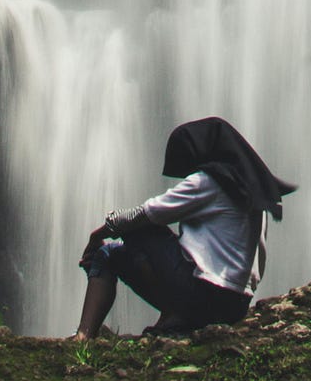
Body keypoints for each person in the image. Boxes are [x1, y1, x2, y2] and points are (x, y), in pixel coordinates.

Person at [75, 116, 295, 339]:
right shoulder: (251, 194)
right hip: (236, 305)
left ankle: (85, 336)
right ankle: (168, 317)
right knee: (109, 254)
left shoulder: (209, 182)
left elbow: (146, 213)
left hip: (202, 295)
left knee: (141, 229)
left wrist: (97, 234)